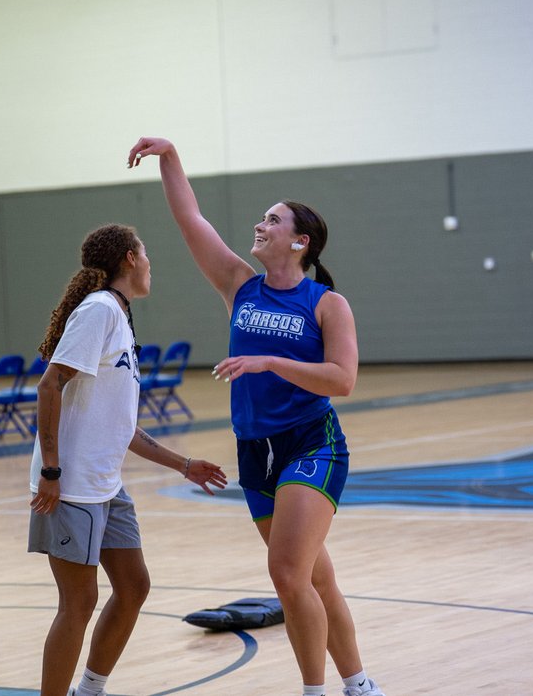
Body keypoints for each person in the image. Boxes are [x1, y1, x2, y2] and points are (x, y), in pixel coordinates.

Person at [127, 139, 386, 696]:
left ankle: (315, 690)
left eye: (272, 220)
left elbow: (342, 379)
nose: (260, 224)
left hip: (312, 443)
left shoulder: (326, 304)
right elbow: (190, 220)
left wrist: (270, 361)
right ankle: (360, 684)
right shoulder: (239, 284)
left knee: (287, 576)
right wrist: (169, 157)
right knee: (315, 578)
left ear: (299, 241)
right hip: (255, 449)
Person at [29, 222, 227, 696]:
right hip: (71, 485)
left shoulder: (118, 314)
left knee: (134, 586)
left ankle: (90, 690)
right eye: (146, 252)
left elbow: (122, 426)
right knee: (79, 602)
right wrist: (52, 470)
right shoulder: (99, 310)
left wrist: (183, 464)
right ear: (130, 259)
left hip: (105, 483)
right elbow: (48, 385)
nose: (151, 262)